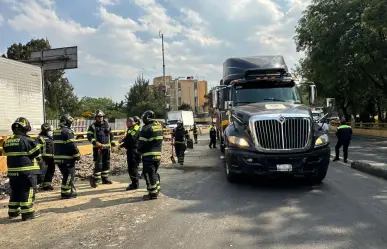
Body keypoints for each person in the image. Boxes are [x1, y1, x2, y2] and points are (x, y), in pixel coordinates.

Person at [3, 117, 42, 221]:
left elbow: (7, 152)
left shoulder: (7, 141)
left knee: (15, 191)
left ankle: (13, 211)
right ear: (25, 128)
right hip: (26, 172)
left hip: (12, 173)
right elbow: (37, 154)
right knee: (28, 190)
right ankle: (27, 213)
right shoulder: (28, 140)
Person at [137, 110, 163, 200]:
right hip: (158, 155)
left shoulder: (146, 128)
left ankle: (152, 193)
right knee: (154, 173)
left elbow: (141, 144)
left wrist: (138, 151)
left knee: (148, 174)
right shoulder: (159, 127)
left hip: (148, 155)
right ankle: (157, 189)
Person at [53, 114, 80, 199]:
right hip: (67, 158)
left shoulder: (56, 131)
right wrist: (77, 155)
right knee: (68, 176)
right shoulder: (67, 132)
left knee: (65, 175)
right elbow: (71, 145)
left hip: (58, 158)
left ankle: (65, 192)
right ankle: (66, 194)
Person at [87, 110, 116, 188]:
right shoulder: (92, 126)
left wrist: (113, 145)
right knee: (98, 165)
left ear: (103, 117)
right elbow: (89, 136)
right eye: (98, 117)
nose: (100, 118)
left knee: (106, 164)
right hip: (98, 149)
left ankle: (104, 179)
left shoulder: (107, 125)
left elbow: (111, 135)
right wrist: (95, 142)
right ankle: (96, 180)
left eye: (101, 117)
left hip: (106, 148)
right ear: (96, 118)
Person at [120, 117, 141, 190]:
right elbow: (128, 137)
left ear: (130, 122)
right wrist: (122, 141)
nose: (126, 124)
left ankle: (135, 184)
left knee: (132, 168)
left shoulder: (135, 128)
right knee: (132, 167)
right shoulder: (131, 128)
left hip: (134, 150)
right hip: (131, 150)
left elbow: (132, 139)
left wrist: (123, 145)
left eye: (126, 123)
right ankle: (134, 182)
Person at [36, 123, 55, 191]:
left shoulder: (51, 138)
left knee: (50, 172)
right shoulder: (39, 138)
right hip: (44, 159)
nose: (51, 131)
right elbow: (37, 149)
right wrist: (39, 158)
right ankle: (36, 187)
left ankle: (46, 185)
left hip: (51, 159)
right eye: (50, 130)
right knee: (41, 173)